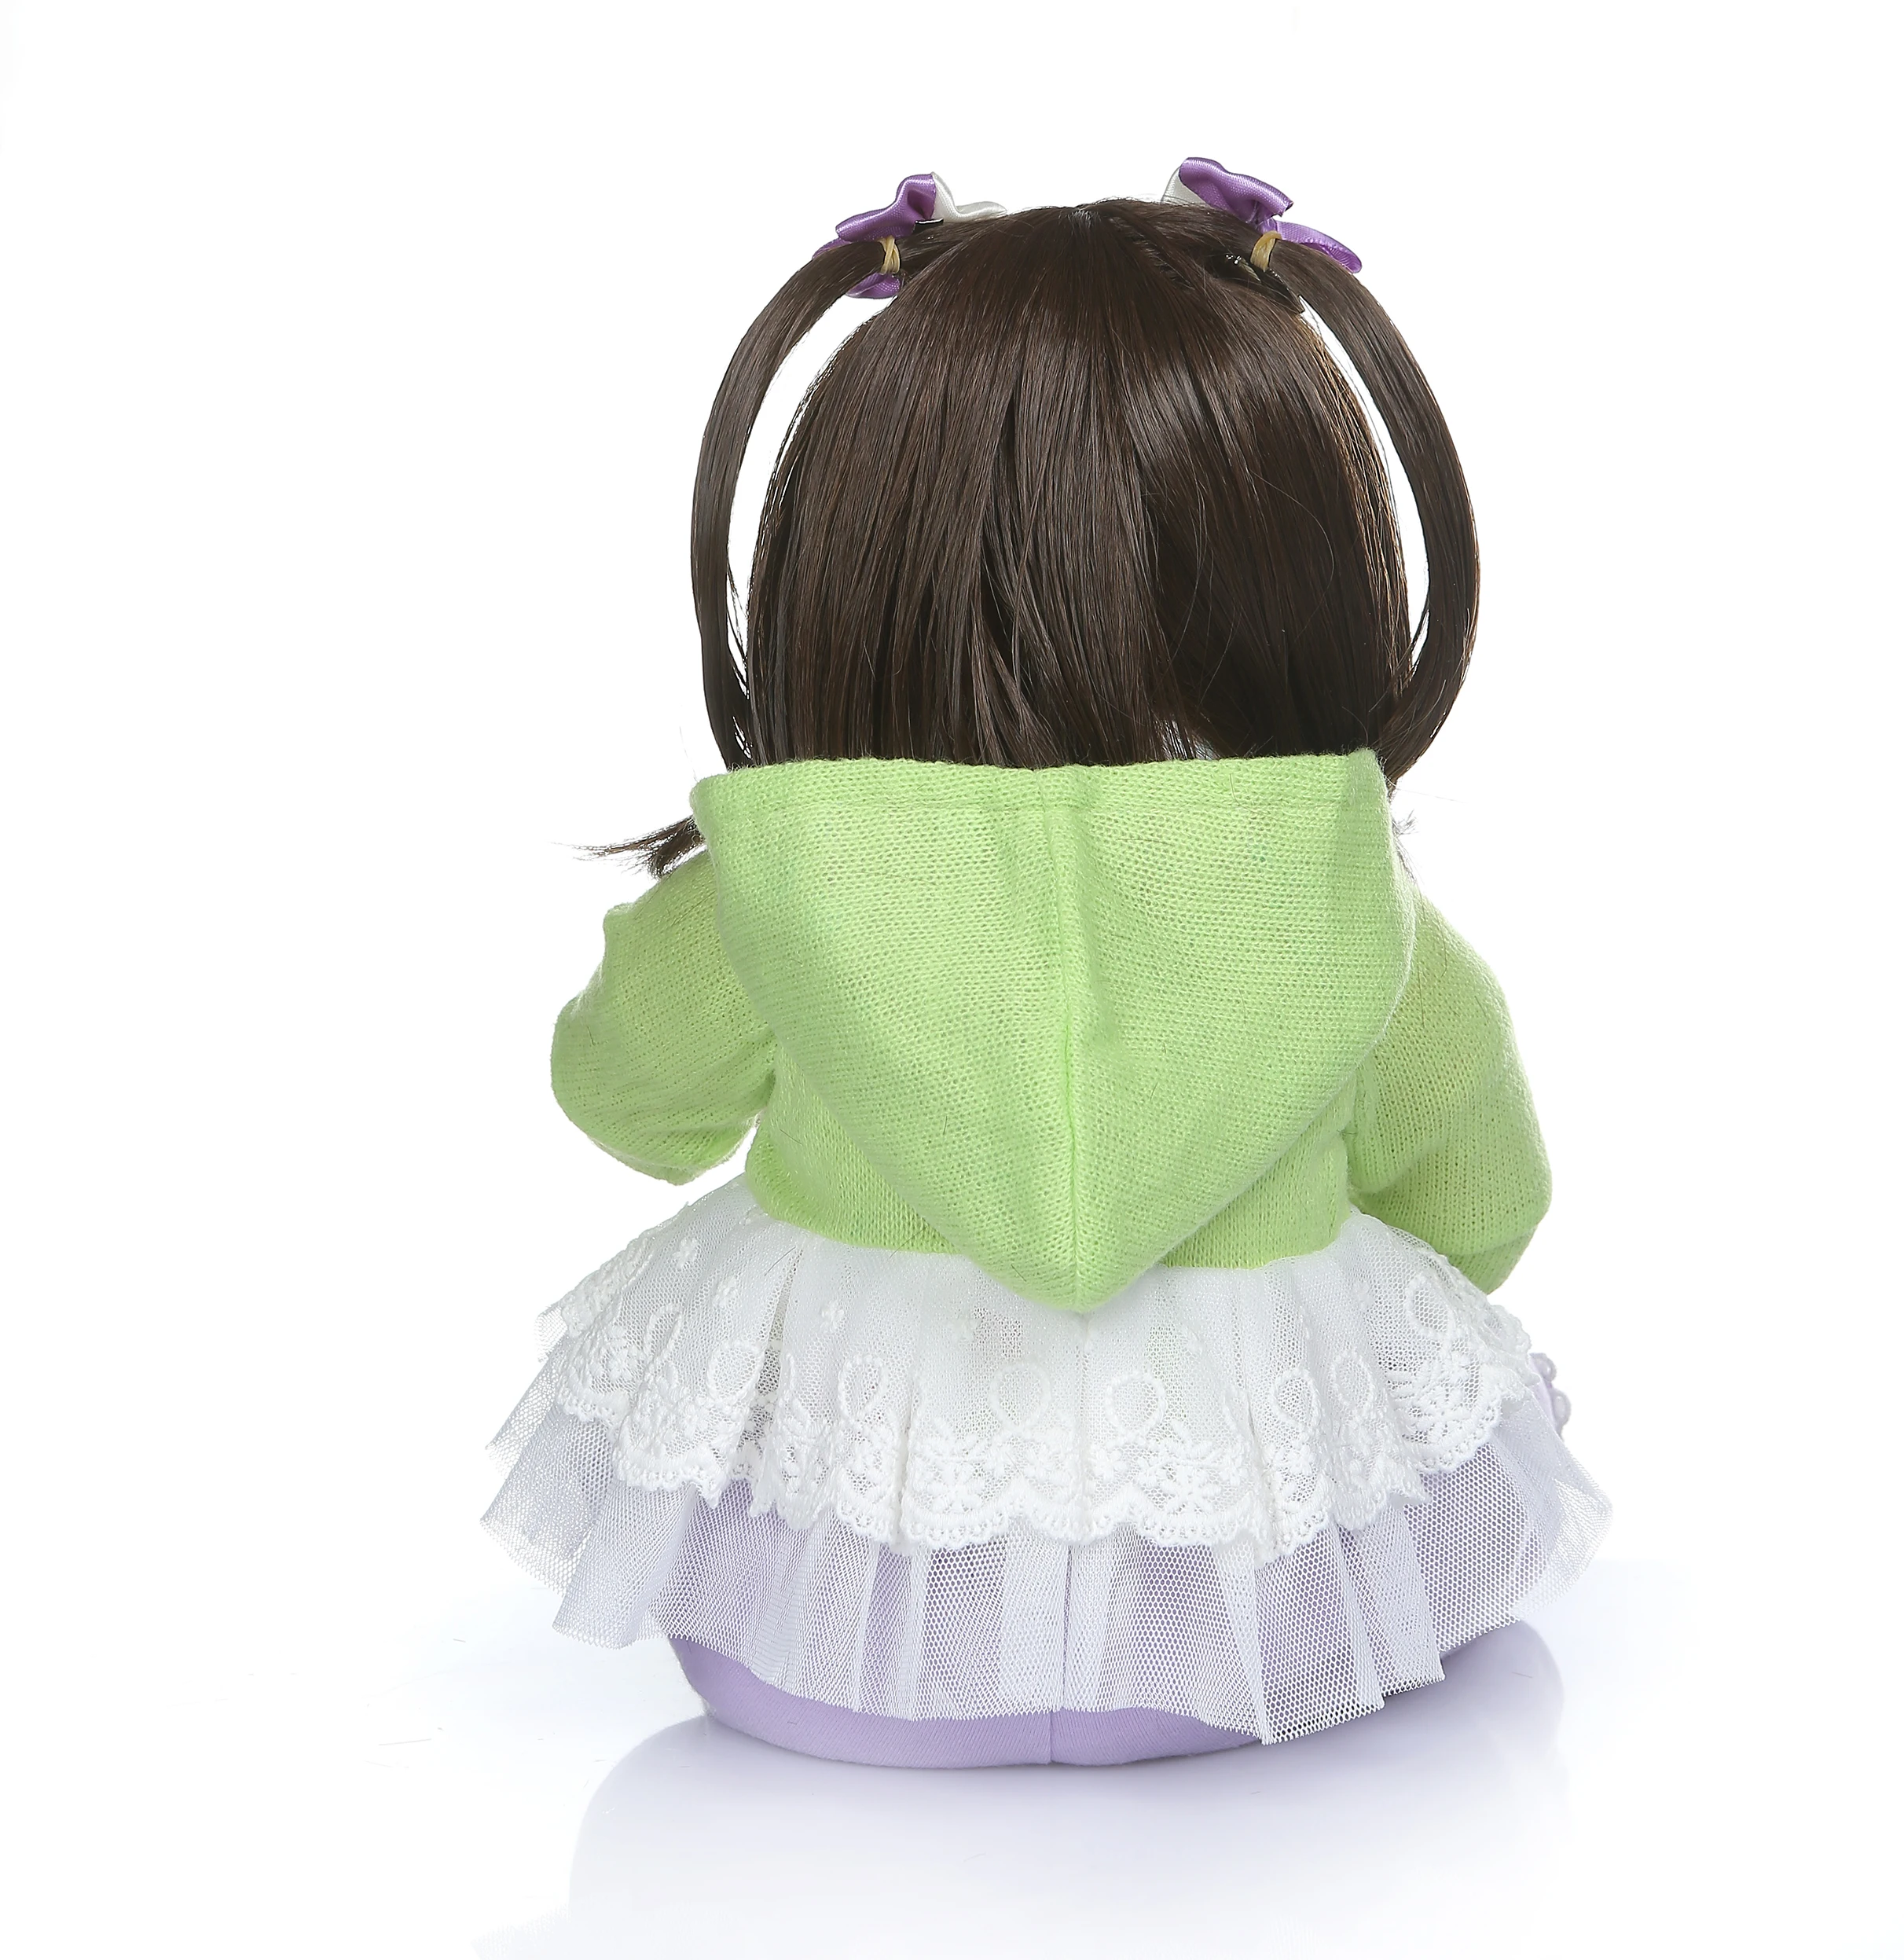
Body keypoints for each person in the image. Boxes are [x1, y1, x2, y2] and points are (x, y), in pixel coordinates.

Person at [483, 160, 1610, 1767]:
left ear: (848, 568)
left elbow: (621, 1099)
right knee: (1461, 1452)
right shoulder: (1351, 913)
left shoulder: (772, 895)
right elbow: (1481, 1201)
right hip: (1265, 1636)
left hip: (821, 1647)